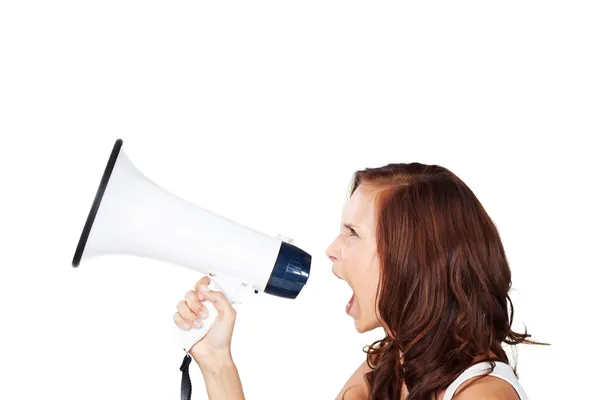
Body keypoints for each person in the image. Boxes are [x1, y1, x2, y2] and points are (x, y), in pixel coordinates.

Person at [172, 162, 546, 399]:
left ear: (410, 259)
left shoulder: (482, 395)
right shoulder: (385, 368)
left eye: (352, 232)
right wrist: (216, 360)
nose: (332, 249)